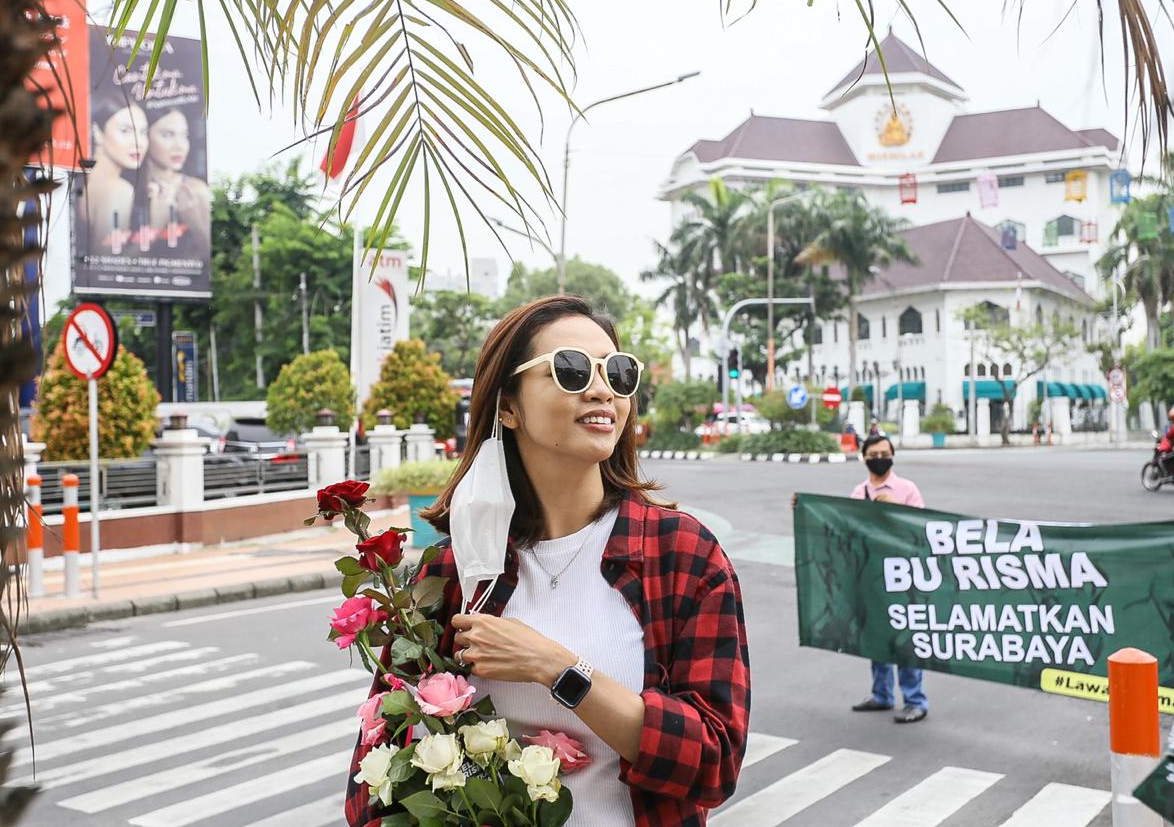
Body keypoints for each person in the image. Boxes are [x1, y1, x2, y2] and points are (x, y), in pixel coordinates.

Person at [345, 295, 751, 827]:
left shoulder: (682, 554)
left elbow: (714, 764)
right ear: (508, 405)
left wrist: (557, 669)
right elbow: (376, 769)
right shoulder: (455, 570)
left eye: (618, 372)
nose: (603, 389)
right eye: (571, 369)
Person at [850, 433, 930, 723]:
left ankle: (915, 700)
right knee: (878, 637)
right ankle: (882, 694)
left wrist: (894, 507)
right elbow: (846, 527)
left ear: (893, 455)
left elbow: (921, 530)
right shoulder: (859, 493)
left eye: (885, 452)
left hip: (904, 576)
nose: (880, 458)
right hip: (872, 576)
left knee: (905, 638)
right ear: (865, 458)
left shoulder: (907, 489)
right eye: (874, 454)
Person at [140, 107, 211, 254]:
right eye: (167, 135)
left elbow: (209, 257)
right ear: (144, 136)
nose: (180, 146)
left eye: (184, 136)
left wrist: (195, 223)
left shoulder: (196, 190)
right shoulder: (128, 187)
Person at [84, 93, 148, 255]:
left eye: (143, 132)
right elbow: (107, 264)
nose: (138, 142)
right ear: (97, 132)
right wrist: (158, 222)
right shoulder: (118, 189)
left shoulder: (84, 180)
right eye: (125, 130)